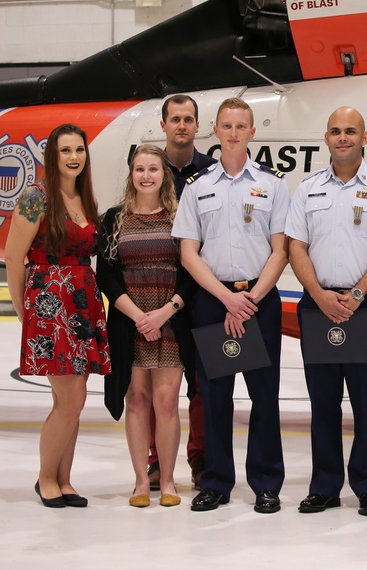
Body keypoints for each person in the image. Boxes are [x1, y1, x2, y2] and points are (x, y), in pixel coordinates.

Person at [172, 97, 290, 514]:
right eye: (227, 126)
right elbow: (189, 253)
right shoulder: (198, 187)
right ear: (216, 131)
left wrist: (251, 299)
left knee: (264, 395)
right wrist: (226, 299)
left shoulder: (274, 184)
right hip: (213, 302)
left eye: (242, 126)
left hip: (259, 301)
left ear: (253, 131)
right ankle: (217, 482)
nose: (234, 133)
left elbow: (281, 250)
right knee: (216, 396)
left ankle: (266, 482)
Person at [286, 106, 367, 516]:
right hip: (319, 305)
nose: (343, 138)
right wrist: (318, 294)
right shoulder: (307, 189)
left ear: (365, 137)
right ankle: (324, 486)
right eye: (335, 131)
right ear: (326, 138)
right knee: (323, 403)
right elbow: (295, 247)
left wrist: (356, 294)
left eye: (350, 131)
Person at [4, 123, 110, 508]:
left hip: (82, 304)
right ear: (53, 156)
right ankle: (46, 478)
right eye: (65, 150)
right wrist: (24, 312)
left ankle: (65, 480)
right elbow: (14, 258)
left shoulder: (87, 198)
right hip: (49, 305)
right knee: (71, 398)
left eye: (79, 149)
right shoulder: (36, 197)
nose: (73, 157)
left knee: (74, 400)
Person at [98, 145, 197, 508]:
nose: (146, 176)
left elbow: (190, 275)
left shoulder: (181, 217)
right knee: (137, 400)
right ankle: (142, 480)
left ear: (163, 174)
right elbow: (106, 276)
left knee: (166, 401)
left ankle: (168, 480)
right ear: (131, 174)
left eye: (153, 169)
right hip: (130, 323)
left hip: (170, 321)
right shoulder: (114, 219)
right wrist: (139, 316)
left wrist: (163, 313)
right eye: (139, 169)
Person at [145, 94, 216, 491]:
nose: (182, 126)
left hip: (199, 291)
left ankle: (200, 457)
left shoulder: (211, 172)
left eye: (189, 119)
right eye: (175, 119)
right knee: (158, 385)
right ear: (164, 125)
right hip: (157, 296)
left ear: (197, 125)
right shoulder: (150, 169)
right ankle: (155, 459)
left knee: (203, 382)